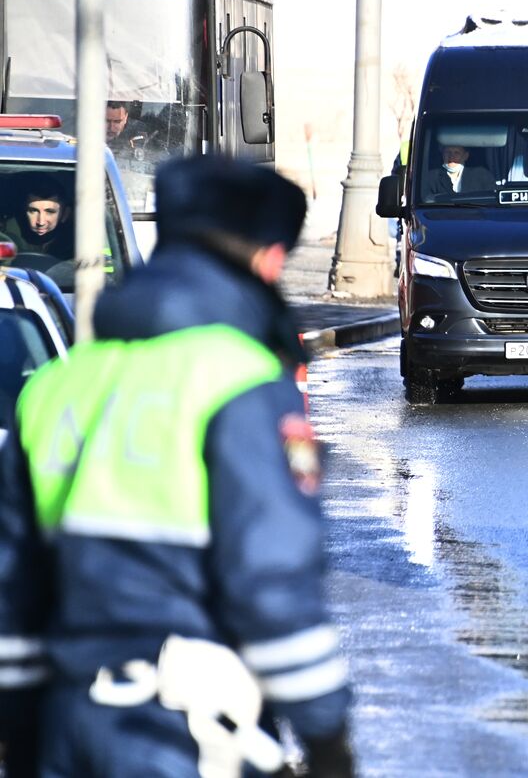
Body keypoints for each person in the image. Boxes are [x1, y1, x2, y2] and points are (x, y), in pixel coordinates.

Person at [0, 157, 355, 778]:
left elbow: (13, 590)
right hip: (183, 729)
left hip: (66, 723)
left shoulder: (58, 386)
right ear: (268, 260)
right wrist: (327, 739)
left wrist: (24, 730)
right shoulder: (237, 382)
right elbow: (270, 580)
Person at [1, 176, 75, 261]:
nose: (41, 222)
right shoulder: (7, 237)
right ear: (24, 211)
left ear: (65, 214)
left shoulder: (78, 244)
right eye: (33, 211)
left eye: (50, 212)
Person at [424, 144, 493, 198]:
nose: (451, 157)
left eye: (456, 153)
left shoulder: (481, 175)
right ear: (442, 154)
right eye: (448, 152)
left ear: (465, 156)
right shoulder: (432, 177)